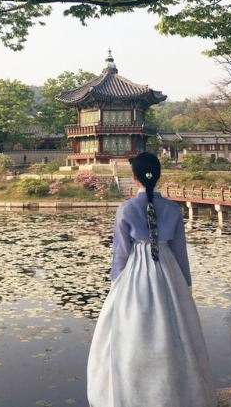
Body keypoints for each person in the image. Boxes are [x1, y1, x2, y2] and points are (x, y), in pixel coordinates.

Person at [87, 151, 216, 407]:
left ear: (134, 177)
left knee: (132, 333)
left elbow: (121, 253)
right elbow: (180, 252)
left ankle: (132, 396)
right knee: (173, 333)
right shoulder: (172, 208)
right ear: (157, 175)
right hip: (169, 272)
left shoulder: (126, 209)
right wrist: (185, 287)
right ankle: (176, 395)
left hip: (135, 275)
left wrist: (116, 287)